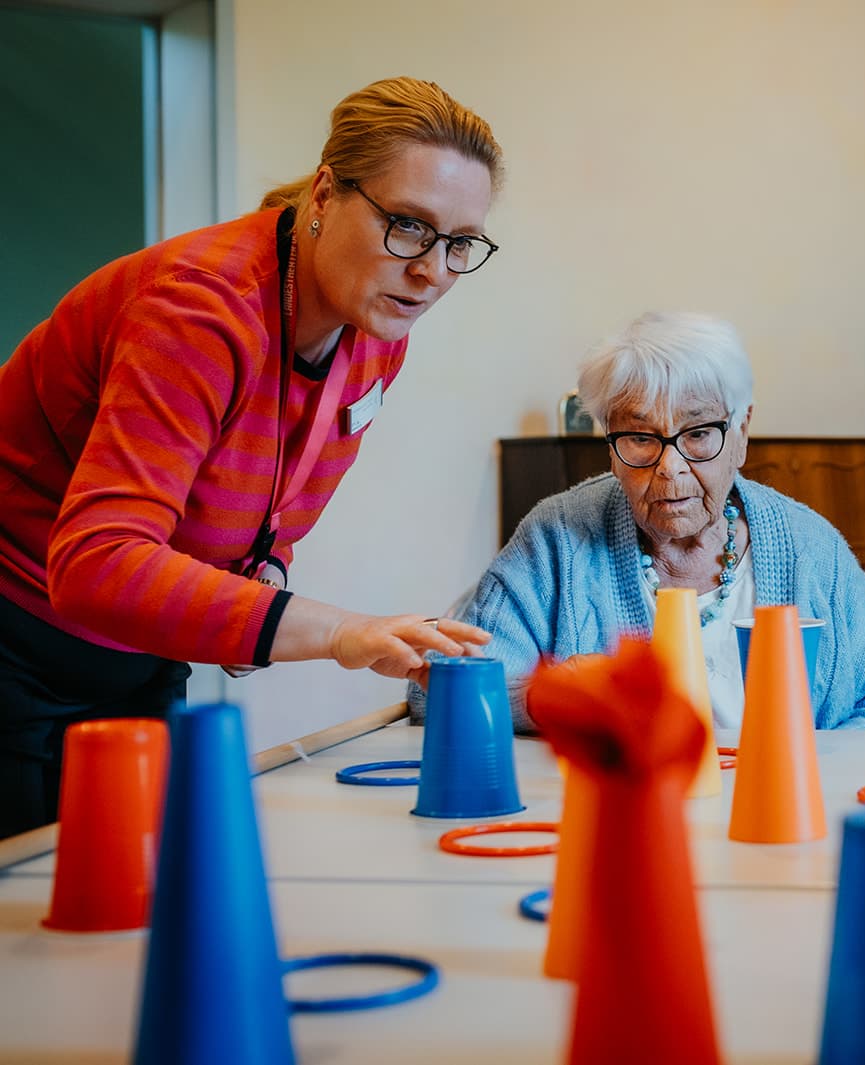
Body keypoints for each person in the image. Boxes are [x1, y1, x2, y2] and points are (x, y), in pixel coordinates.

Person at [0, 77, 500, 837]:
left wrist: (263, 572)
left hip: (141, 652)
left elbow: (268, 506)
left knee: (142, 900)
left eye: (459, 243)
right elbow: (96, 562)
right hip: (17, 643)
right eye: (407, 225)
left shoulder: (375, 327)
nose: (432, 271)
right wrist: (338, 632)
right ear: (327, 194)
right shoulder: (200, 309)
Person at [409, 311, 865, 731]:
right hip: (621, 826)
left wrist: (805, 774)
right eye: (640, 438)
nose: (670, 467)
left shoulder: (811, 549)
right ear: (609, 443)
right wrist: (553, 696)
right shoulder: (558, 537)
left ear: (741, 430)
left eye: (698, 433)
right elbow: (437, 693)